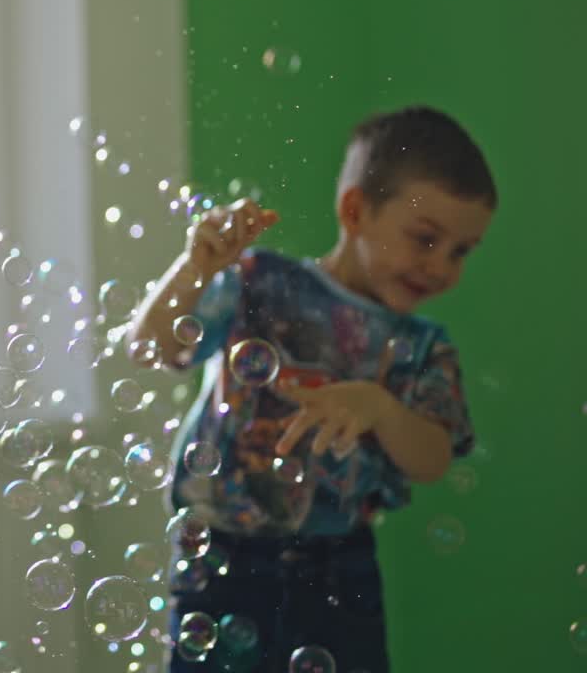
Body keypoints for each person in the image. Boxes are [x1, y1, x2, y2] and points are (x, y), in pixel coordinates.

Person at [124, 105, 496, 672]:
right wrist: (195, 267)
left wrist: (380, 409)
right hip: (222, 562)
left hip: (338, 571)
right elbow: (153, 347)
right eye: (425, 239)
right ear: (355, 211)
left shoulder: (423, 347)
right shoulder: (260, 283)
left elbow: (434, 457)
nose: (441, 266)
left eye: (461, 251)